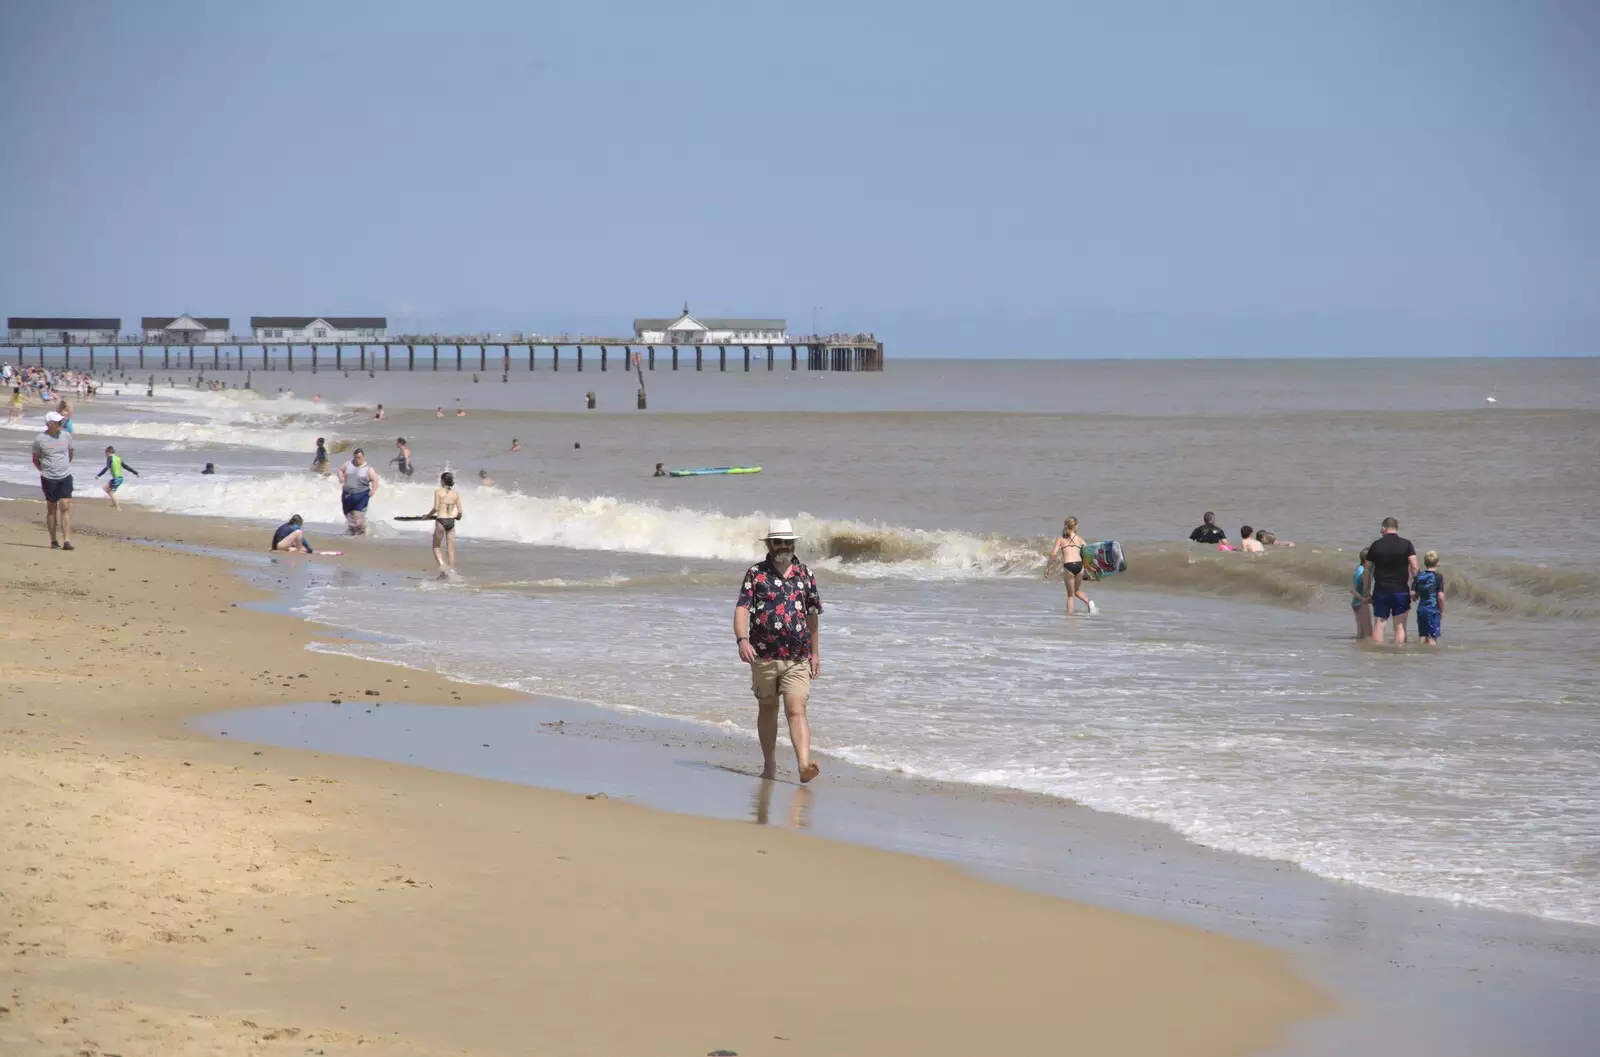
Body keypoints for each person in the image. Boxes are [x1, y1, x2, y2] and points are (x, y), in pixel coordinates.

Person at [734, 519, 823, 783]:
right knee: (768, 708)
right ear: (770, 544)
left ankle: (804, 765)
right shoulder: (756, 574)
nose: (783, 546)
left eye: (788, 542)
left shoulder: (805, 575)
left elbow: (812, 616)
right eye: (778, 542)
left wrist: (815, 653)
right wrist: (742, 640)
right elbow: (741, 609)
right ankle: (770, 764)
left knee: (797, 709)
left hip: (798, 657)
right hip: (763, 655)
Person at [1362, 517, 1418, 645]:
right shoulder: (1407, 544)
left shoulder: (1376, 545)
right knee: (1399, 624)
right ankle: (1398, 655)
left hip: (1381, 589)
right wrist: (1416, 588)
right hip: (1401, 590)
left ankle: (1377, 652)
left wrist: (1366, 591)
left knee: (1380, 622)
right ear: (1396, 528)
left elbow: (1367, 571)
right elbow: (1414, 567)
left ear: (1383, 528)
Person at [32, 411, 75, 550]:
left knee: (65, 506)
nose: (61, 424)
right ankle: (53, 541)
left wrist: (63, 466)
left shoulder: (66, 436)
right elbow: (35, 459)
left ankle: (67, 541)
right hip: (48, 478)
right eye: (58, 422)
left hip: (65, 476)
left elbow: (70, 454)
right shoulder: (40, 439)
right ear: (50, 424)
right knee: (52, 508)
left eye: (61, 422)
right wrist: (45, 470)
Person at [1048, 517, 1096, 614]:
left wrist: (1048, 567)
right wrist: (1091, 568)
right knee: (1076, 590)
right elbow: (1088, 555)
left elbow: (1054, 554)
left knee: (1070, 596)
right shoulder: (1080, 539)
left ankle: (1069, 618)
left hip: (1069, 566)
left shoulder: (1060, 539)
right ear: (1075, 526)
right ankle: (1089, 602)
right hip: (1079, 566)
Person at [427, 471, 464, 572]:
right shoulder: (456, 494)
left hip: (441, 521)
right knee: (451, 549)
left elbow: (436, 508)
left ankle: (442, 567)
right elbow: (460, 511)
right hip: (451, 522)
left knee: (436, 546)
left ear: (442, 481)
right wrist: (458, 517)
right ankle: (451, 570)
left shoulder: (438, 491)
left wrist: (427, 516)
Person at [337, 448, 380, 534]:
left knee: (359, 518)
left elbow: (375, 480)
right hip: (347, 495)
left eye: (359, 457)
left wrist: (373, 490)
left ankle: (361, 536)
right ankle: (352, 533)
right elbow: (340, 470)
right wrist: (341, 477)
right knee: (349, 517)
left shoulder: (368, 469)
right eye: (356, 457)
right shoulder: (348, 463)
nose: (357, 459)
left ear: (363, 457)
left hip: (361, 495)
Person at [1412, 551, 1445, 646]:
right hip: (1433, 609)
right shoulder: (1438, 577)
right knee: (1432, 637)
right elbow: (1440, 596)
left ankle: (1421, 657)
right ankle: (1432, 658)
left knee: (1422, 636)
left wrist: (1415, 597)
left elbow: (1413, 593)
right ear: (1437, 563)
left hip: (1421, 609)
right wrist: (1442, 610)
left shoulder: (1419, 576)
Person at [94, 445, 139, 510]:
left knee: (110, 492)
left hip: (117, 479)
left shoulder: (110, 458)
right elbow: (126, 467)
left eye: (105, 453)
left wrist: (99, 475)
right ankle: (114, 503)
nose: (105, 455)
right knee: (105, 488)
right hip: (118, 478)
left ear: (108, 452)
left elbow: (107, 467)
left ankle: (118, 507)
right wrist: (135, 472)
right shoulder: (118, 458)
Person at [1351, 548, 1374, 640]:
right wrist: (1363, 599)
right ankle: (1364, 649)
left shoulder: (1359, 569)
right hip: (1360, 603)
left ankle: (1359, 647)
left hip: (1357, 602)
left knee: (1361, 630)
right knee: (1367, 632)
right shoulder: (1362, 572)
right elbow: (1352, 589)